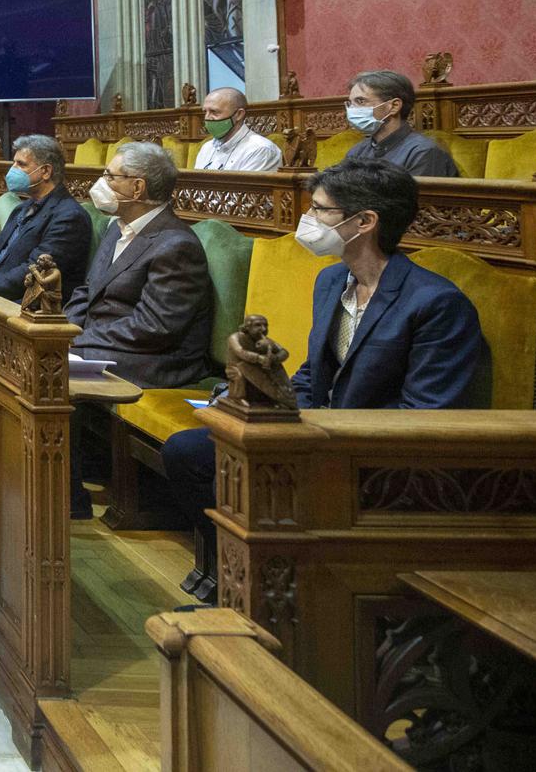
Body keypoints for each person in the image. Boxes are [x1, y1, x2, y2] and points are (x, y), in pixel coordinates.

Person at [160, 159, 485, 599]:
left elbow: (426, 415)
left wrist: (315, 433)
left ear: (366, 221)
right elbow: (315, 373)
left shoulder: (437, 304)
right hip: (315, 434)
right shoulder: (332, 280)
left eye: (319, 210)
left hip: (372, 456)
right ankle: (248, 580)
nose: (307, 220)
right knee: (189, 451)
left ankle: (282, 590)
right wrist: (263, 402)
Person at [65, 141, 214, 518]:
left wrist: (79, 344)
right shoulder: (118, 229)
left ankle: (69, 498)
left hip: (156, 359)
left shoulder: (176, 244)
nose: (101, 182)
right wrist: (61, 328)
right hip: (110, 345)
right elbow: (87, 290)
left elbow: (156, 326)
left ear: (138, 188)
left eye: (110, 176)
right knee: (42, 355)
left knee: (51, 370)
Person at [0, 134, 93, 302]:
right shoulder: (24, 207)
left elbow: (35, 270)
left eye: (21, 164)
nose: (12, 169)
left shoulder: (70, 217)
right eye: (14, 162)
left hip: (30, 308)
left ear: (46, 171)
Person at [342, 70, 457, 177]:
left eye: (360, 101)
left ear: (394, 106)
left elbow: (416, 198)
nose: (351, 109)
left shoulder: (425, 152)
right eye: (350, 103)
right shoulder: (358, 150)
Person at [193, 88, 281, 171]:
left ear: (239, 114)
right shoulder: (207, 147)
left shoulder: (261, 150)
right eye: (205, 112)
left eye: (214, 112)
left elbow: (243, 187)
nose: (207, 118)